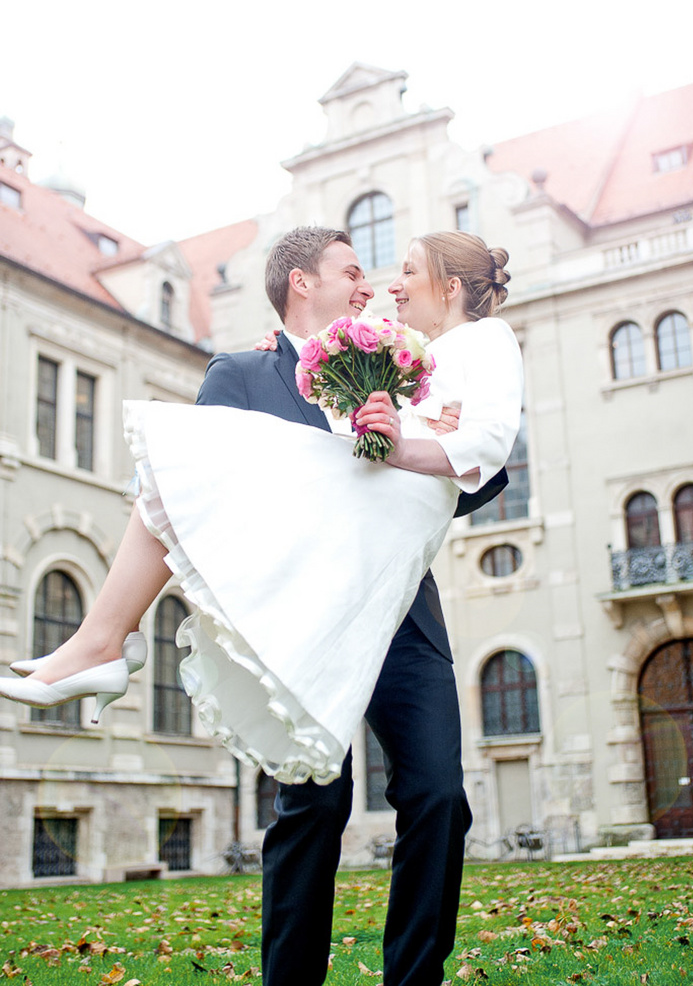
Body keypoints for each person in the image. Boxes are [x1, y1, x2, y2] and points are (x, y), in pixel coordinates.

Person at [0, 226, 523, 986]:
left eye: (390, 273)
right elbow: (206, 509)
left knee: (439, 797)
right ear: (303, 282)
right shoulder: (240, 373)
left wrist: (415, 433)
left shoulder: (408, 366)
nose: (375, 286)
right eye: (353, 271)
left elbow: (469, 471)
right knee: (314, 806)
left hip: (399, 612)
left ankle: (414, 980)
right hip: (300, 622)